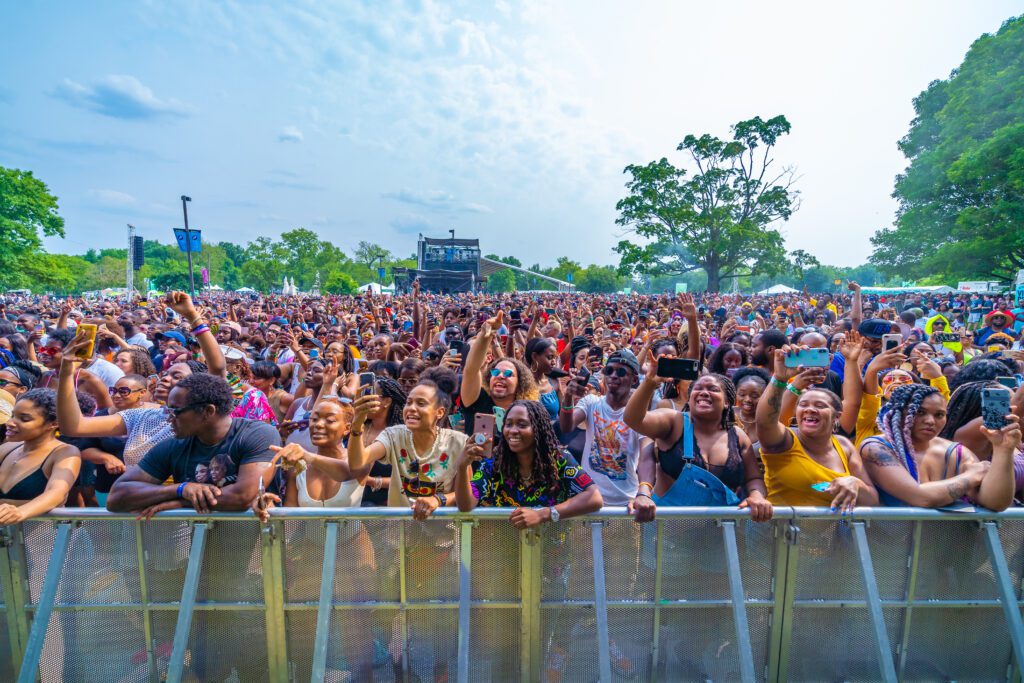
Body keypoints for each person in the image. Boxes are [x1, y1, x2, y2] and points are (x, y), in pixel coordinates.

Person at [106, 373, 278, 515]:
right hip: (198, 546)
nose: (169, 417)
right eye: (167, 410)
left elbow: (242, 497)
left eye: (175, 411)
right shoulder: (175, 444)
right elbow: (116, 498)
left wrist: (179, 503)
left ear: (208, 411)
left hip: (258, 544)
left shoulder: (257, 434)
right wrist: (181, 489)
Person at [624, 371, 773, 521]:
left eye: (713, 389)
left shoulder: (738, 436)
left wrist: (757, 495)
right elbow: (633, 419)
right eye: (698, 388)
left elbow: (754, 478)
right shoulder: (673, 422)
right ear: (689, 399)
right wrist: (649, 382)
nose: (704, 393)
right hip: (667, 531)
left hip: (721, 532)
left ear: (727, 402)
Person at [756, 346, 879, 511]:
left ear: (836, 416)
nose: (810, 409)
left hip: (830, 535)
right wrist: (779, 379)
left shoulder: (844, 445)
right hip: (781, 533)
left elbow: (872, 500)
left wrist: (855, 483)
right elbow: (765, 422)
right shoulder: (784, 440)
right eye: (803, 404)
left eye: (820, 405)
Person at [859, 384, 1019, 510]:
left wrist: (1003, 449)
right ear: (897, 413)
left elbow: (995, 503)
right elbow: (921, 497)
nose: (930, 421)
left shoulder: (955, 451)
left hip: (943, 546)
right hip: (886, 547)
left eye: (939, 415)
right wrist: (972, 476)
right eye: (920, 412)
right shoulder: (876, 448)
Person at [454, 400, 602, 524]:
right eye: (508, 424)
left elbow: (594, 498)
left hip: (553, 551)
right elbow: (466, 505)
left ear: (538, 429)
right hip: (507, 550)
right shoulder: (495, 462)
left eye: (522, 425)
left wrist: (543, 515)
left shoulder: (558, 459)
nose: (512, 430)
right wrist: (462, 467)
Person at [346, 370, 467, 518]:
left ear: (440, 412)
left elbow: (471, 492)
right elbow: (357, 463)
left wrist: (438, 499)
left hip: (442, 535)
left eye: (421, 403)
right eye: (408, 402)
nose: (411, 408)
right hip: (398, 534)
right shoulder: (394, 435)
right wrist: (357, 423)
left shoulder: (458, 442)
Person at [559, 349, 642, 509]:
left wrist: (643, 493)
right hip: (587, 501)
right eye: (609, 370)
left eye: (621, 371)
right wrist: (568, 397)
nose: (613, 375)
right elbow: (566, 426)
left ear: (634, 379)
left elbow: (647, 458)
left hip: (626, 505)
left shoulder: (639, 414)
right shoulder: (591, 402)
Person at [0, 388, 81, 523]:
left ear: (54, 424)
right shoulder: (6, 449)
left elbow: (56, 493)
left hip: (45, 541)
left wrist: (19, 512)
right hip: (7, 541)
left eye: (24, 419)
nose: (10, 423)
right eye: (12, 416)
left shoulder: (65, 452)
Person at [460, 311, 539, 438]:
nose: (500, 376)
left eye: (508, 374)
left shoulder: (527, 412)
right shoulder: (477, 400)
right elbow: (471, 370)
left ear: (520, 383)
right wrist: (484, 337)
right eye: (495, 372)